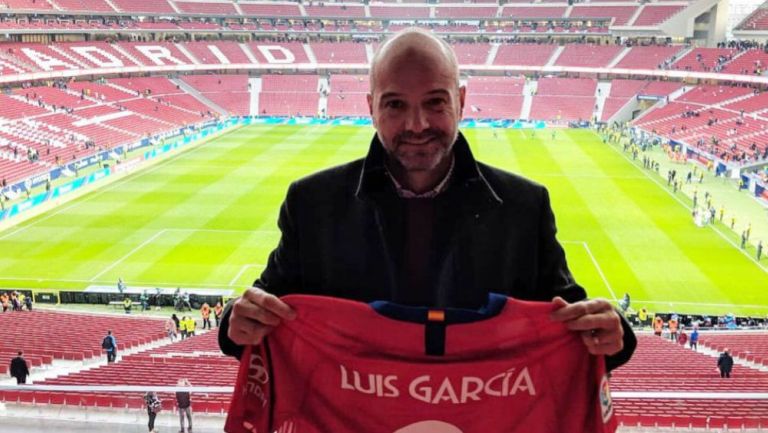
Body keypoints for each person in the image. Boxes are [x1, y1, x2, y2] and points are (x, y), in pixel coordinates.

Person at [218, 28, 636, 372]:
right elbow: (263, 308)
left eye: (435, 102)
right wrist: (234, 323)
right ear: (371, 107)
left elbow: (573, 315)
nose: (417, 124)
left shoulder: (523, 207)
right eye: (395, 105)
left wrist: (615, 333)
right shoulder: (313, 204)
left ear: (462, 100)